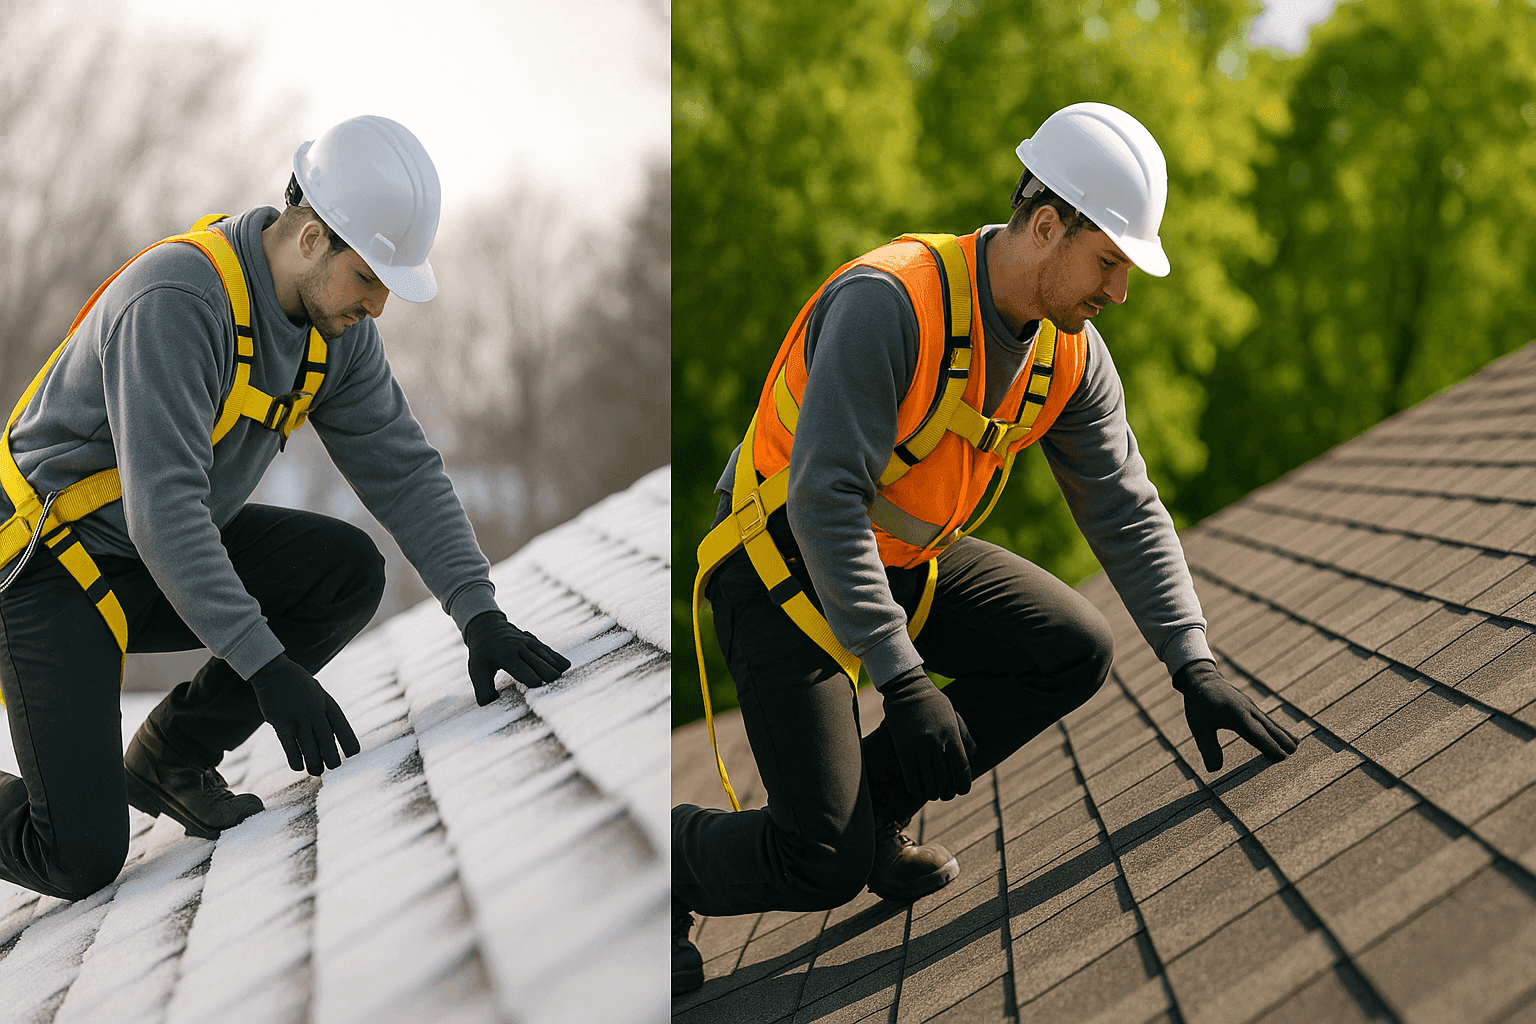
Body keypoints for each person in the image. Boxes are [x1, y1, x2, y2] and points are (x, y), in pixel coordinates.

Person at [672, 102, 1298, 995]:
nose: (1119, 291)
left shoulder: (1070, 355)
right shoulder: (891, 305)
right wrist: (904, 677)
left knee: (1072, 648)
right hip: (780, 563)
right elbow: (824, 499)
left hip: (897, 562)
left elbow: (1125, 508)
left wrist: (1191, 660)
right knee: (818, 861)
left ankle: (877, 813)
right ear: (1047, 225)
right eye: (1109, 261)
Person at [0, 115, 570, 903]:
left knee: (342, 573)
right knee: (81, 855)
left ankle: (170, 756)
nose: (377, 307)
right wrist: (267, 669)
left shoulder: (335, 336)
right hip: (44, 569)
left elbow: (403, 471)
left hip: (145, 553)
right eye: (370, 278)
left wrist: (480, 613)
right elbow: (164, 515)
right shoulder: (175, 301)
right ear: (311, 240)